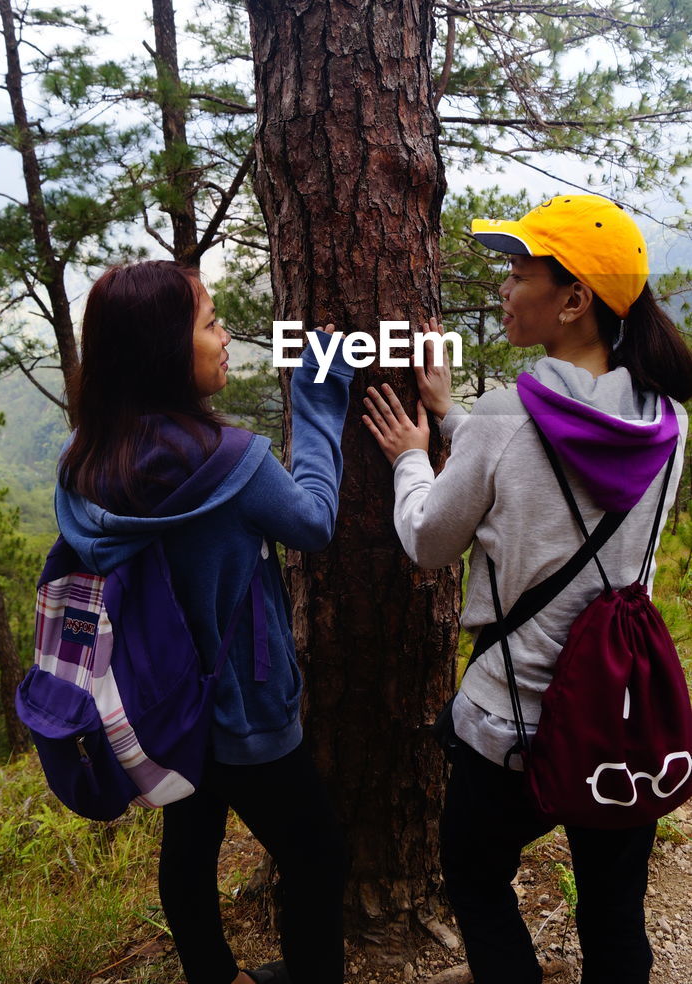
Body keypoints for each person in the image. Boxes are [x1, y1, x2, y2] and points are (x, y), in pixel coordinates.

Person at [362, 194, 692, 984]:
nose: (504, 289)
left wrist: (414, 454)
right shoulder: (668, 424)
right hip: (614, 720)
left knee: (476, 883)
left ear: (573, 299)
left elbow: (427, 541)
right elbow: (557, 492)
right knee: (614, 914)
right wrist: (456, 426)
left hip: (513, 729)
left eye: (518, 274)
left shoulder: (503, 421)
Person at [55, 260, 354, 984]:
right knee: (319, 854)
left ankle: (210, 974)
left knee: (188, 846)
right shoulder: (234, 464)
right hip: (242, 712)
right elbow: (312, 521)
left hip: (155, 703)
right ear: (165, 349)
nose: (225, 338)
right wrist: (317, 398)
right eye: (211, 323)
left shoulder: (85, 461)